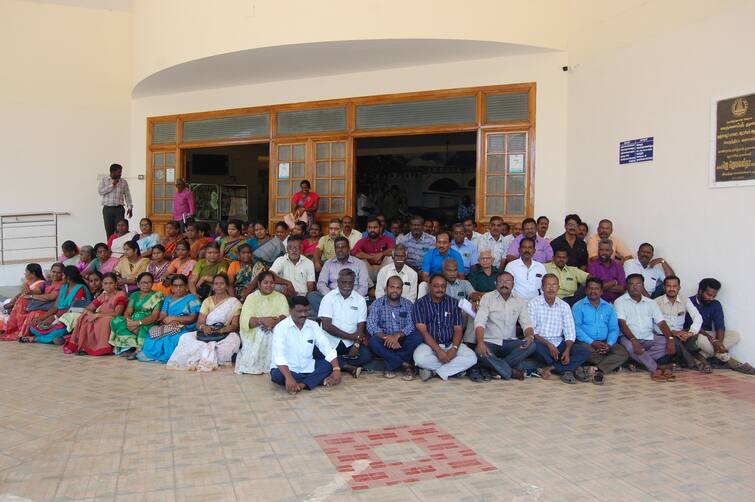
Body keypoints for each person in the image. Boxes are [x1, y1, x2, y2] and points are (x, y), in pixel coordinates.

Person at [167, 273, 241, 371]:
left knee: (234, 340)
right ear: (213, 286)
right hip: (206, 332)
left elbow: (235, 325)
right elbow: (199, 322)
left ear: (227, 286)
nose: (219, 286)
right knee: (185, 337)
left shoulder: (234, 302)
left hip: (224, 333)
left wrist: (221, 331)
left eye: (222, 283)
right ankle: (206, 355)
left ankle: (206, 357)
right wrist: (204, 327)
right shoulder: (207, 301)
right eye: (216, 284)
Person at [412, 274, 476, 381]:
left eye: (443, 286)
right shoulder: (420, 304)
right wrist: (438, 351)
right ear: (429, 286)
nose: (440, 289)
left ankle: (433, 372)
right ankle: (453, 370)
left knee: (472, 358)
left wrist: (454, 349)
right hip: (429, 346)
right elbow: (423, 331)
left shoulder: (454, 303)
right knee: (419, 359)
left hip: (450, 344)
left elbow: (458, 329)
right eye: (436, 286)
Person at [473, 271, 536, 380]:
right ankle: (510, 372)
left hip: (510, 342)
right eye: (501, 281)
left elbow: (527, 324)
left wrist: (530, 336)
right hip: (490, 342)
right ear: (496, 284)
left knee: (532, 345)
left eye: (507, 282)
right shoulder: (487, 298)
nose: (504, 284)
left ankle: (495, 368)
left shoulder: (519, 300)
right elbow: (480, 323)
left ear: (513, 285)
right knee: (479, 351)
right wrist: (480, 342)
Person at [271, 296, 341, 393]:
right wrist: (288, 377)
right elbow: (279, 356)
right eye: (299, 311)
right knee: (277, 375)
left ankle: (302, 384)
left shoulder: (313, 325)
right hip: (287, 369)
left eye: (306, 311)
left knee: (328, 365)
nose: (303, 314)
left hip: (308, 366)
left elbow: (326, 347)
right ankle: (313, 380)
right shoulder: (280, 328)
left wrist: (336, 369)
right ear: (290, 310)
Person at [529, 274, 591, 384]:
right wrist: (548, 344)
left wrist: (567, 350)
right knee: (534, 346)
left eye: (554, 285)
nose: (551, 288)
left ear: (558, 288)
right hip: (541, 343)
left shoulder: (564, 306)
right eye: (548, 285)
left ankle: (552, 367)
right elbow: (531, 331)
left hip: (559, 343)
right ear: (542, 288)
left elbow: (570, 331)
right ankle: (569, 368)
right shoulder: (533, 304)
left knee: (584, 351)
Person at [615, 274, 677, 381]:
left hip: (648, 336)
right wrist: (634, 340)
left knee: (664, 342)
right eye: (631, 284)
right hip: (628, 337)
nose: (635, 287)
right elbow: (622, 323)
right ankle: (655, 368)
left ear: (643, 285)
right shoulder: (620, 301)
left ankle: (640, 361)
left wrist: (670, 339)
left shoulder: (651, 303)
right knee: (630, 347)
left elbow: (661, 323)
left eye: (638, 284)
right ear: (627, 286)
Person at [686, 278, 754, 374]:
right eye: (709, 295)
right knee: (701, 340)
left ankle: (701, 355)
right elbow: (691, 326)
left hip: (710, 335)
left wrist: (719, 343)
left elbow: (720, 326)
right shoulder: (688, 302)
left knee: (735, 335)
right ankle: (728, 360)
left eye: (714, 296)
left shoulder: (716, 304)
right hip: (696, 334)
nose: (711, 298)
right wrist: (713, 341)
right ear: (700, 291)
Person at [572, 277, 627, 384]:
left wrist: (609, 344)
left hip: (605, 342)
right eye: (590, 288)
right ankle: (608, 366)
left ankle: (597, 369)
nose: (593, 291)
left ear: (601, 291)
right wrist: (592, 342)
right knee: (585, 352)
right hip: (586, 343)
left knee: (623, 353)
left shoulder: (608, 307)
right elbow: (576, 328)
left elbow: (614, 329)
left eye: (596, 289)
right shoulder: (578, 306)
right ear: (585, 290)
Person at [136, 274, 201, 363]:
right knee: (153, 336)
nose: (178, 288)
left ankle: (164, 357)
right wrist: (167, 321)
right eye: (175, 286)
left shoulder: (192, 299)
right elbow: (163, 315)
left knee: (172, 339)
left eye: (181, 286)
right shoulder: (168, 298)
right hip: (169, 325)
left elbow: (193, 318)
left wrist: (175, 319)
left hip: (186, 328)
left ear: (186, 286)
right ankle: (153, 356)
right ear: (172, 287)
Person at [318, 269, 372, 377]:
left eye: (350, 282)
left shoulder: (360, 300)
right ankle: (347, 366)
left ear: (354, 283)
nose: (347, 285)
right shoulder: (328, 298)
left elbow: (361, 327)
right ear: (338, 282)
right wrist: (351, 336)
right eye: (343, 282)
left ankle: (335, 362)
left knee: (366, 355)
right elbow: (327, 326)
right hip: (330, 341)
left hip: (350, 343)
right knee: (317, 352)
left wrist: (356, 344)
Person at [235, 271, 290, 375]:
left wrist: (275, 322)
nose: (269, 285)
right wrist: (262, 321)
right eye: (265, 282)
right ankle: (258, 364)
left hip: (276, 328)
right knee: (263, 332)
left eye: (271, 282)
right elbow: (246, 322)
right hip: (255, 332)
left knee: (272, 333)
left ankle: (275, 364)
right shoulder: (251, 298)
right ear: (259, 284)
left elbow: (285, 317)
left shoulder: (280, 297)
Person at [367, 276, 421, 380]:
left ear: (402, 290)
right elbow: (371, 325)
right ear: (386, 289)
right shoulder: (377, 304)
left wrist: (397, 336)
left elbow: (412, 325)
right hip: (384, 342)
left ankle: (391, 363)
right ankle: (405, 364)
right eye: (392, 287)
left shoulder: (408, 304)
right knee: (373, 341)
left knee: (417, 336)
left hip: (402, 341)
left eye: (398, 287)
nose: (395, 290)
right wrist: (388, 338)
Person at [24, 266, 91, 344]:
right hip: (58, 316)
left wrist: (55, 317)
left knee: (58, 331)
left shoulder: (80, 289)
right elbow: (55, 306)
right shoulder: (64, 287)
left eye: (63, 275)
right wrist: (43, 317)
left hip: (69, 318)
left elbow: (72, 310)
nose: (61, 277)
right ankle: (55, 338)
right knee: (33, 327)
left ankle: (36, 339)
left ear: (68, 278)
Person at [63, 272, 126, 356]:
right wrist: (89, 313)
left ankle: (102, 347)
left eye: (111, 283)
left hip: (112, 317)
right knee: (85, 317)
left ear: (116, 284)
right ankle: (85, 347)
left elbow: (117, 313)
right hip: (101, 316)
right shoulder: (103, 295)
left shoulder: (120, 295)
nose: (108, 285)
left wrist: (96, 315)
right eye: (105, 283)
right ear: (102, 285)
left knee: (105, 320)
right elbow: (89, 308)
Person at [655, 275, 706, 372]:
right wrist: (672, 332)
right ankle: (694, 362)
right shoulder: (656, 302)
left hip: (682, 334)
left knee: (694, 336)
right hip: (664, 334)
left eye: (674, 286)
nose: (671, 289)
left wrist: (690, 333)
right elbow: (654, 325)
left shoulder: (685, 300)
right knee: (674, 340)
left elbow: (698, 317)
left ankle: (684, 359)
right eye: (668, 286)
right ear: (664, 287)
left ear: (679, 288)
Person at [4, 263, 65, 341]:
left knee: (33, 313)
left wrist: (31, 296)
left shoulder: (62, 284)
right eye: (53, 272)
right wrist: (26, 286)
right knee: (22, 300)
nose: (55, 274)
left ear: (62, 274)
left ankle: (21, 332)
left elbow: (51, 297)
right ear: (50, 272)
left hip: (51, 308)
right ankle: (14, 329)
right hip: (41, 305)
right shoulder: (48, 282)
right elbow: (36, 291)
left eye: (58, 272)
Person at [308, 237, 369, 314]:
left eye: (343, 247)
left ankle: (332, 315)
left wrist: (350, 298)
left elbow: (363, 287)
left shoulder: (359, 264)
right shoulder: (328, 264)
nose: (340, 250)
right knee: (312, 296)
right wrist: (332, 296)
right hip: (332, 297)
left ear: (349, 248)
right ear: (335, 249)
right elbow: (321, 283)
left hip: (353, 297)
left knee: (365, 304)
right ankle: (338, 314)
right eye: (338, 247)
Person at [109, 272, 164, 358]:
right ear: (138, 284)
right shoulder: (134, 295)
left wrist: (138, 323)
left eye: (149, 282)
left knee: (141, 326)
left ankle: (138, 349)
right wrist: (129, 322)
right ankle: (128, 347)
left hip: (147, 322)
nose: (146, 285)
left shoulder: (157, 295)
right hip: (132, 321)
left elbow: (154, 316)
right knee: (116, 320)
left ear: (152, 283)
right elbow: (128, 311)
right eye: (143, 282)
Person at [0, 263, 47, 340]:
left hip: (27, 308)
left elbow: (30, 293)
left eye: (26, 271)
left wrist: (24, 285)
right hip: (13, 304)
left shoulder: (41, 283)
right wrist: (15, 298)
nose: (24, 273)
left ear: (33, 273)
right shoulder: (28, 282)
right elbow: (22, 294)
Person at [351, 218, 395, 284]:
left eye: (375, 227)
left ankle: (385, 285)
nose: (372, 230)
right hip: (369, 270)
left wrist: (381, 254)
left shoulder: (387, 239)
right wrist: (370, 257)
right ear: (367, 229)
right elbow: (354, 252)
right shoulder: (363, 241)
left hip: (382, 269)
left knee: (390, 258)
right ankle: (370, 287)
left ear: (380, 228)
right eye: (370, 227)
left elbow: (394, 250)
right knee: (360, 261)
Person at [504, 237, 546, 301]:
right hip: (516, 303)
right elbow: (507, 287)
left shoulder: (540, 267)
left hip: (536, 304)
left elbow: (544, 287)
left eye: (530, 247)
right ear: (519, 250)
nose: (527, 250)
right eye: (524, 247)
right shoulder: (511, 266)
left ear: (534, 251)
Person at [99, 163, 133, 238]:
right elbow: (100, 192)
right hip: (108, 209)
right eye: (119, 172)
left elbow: (127, 195)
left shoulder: (123, 182)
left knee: (121, 230)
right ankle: (110, 248)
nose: (120, 174)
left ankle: (121, 247)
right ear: (112, 172)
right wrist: (112, 185)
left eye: (121, 172)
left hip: (119, 209)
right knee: (109, 231)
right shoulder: (104, 180)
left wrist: (130, 207)